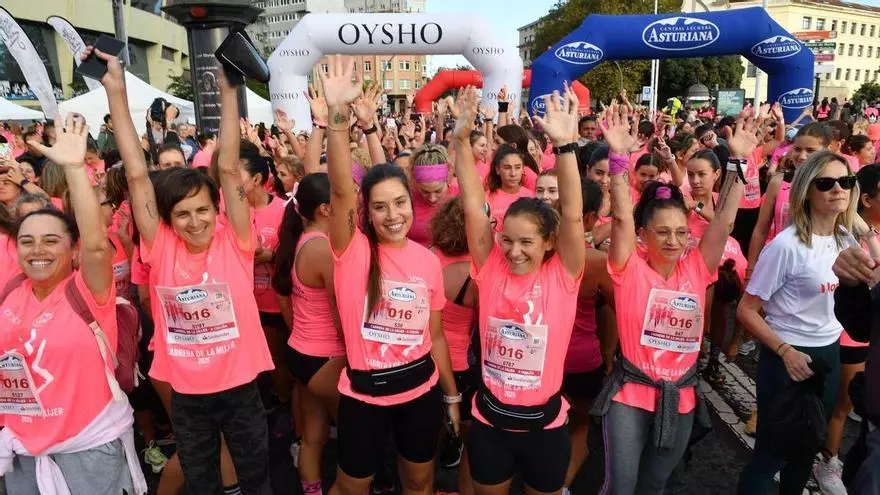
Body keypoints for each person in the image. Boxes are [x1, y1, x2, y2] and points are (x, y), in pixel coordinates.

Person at [92, 46, 273, 494]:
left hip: (241, 389)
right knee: (201, 481)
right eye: (183, 215)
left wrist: (231, 89)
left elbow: (228, 167)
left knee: (256, 479)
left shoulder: (237, 240)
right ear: (168, 220)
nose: (195, 222)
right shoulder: (161, 246)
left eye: (203, 211)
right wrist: (114, 88)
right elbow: (137, 176)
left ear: (219, 210)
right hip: (190, 397)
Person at [319, 55, 460, 495]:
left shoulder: (426, 260)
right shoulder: (352, 251)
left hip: (420, 391)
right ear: (367, 212)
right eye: (380, 206)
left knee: (418, 480)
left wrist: (452, 397)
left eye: (400, 203)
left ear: (411, 203)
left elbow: (435, 336)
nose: (393, 214)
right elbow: (342, 187)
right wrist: (339, 118)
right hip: (365, 397)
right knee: (352, 486)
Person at [592, 103, 749, 495]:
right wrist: (618, 159)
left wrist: (740, 161)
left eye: (681, 232)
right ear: (644, 235)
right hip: (631, 395)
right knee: (621, 487)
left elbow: (725, 221)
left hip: (680, 397)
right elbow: (624, 218)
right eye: (662, 233)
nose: (674, 241)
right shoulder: (629, 268)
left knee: (656, 484)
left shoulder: (696, 268)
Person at [0, 113, 147, 495]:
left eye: (52, 240)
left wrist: (73, 169)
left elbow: (98, 241)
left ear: (73, 248)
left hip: (89, 453)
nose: (38, 250)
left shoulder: (85, 292)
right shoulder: (10, 294)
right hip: (24, 455)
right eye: (28, 241)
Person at [453, 84, 585, 494]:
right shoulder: (490, 266)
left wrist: (565, 147)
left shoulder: (563, 274)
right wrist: (459, 139)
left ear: (548, 242)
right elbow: (474, 206)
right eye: (506, 240)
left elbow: (574, 215)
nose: (512, 251)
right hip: (491, 423)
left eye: (526, 242)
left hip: (545, 427)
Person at [736, 150, 858, 494]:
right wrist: (785, 351)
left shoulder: (844, 238)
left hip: (829, 352)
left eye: (846, 182)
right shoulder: (785, 246)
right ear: (807, 190)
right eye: (826, 183)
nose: (839, 189)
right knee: (771, 456)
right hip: (787, 357)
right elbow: (745, 310)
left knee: (807, 447)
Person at [273, 173, 346, 495]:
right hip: (325, 357)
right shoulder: (322, 250)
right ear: (326, 209)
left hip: (303, 355)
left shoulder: (303, 239)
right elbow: (340, 313)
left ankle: (311, 490)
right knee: (358, 438)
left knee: (313, 437)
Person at [563, 177, 615, 494]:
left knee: (546, 424)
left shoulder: (535, 251)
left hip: (544, 359)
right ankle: (563, 485)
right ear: (592, 217)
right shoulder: (597, 262)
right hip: (585, 358)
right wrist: (610, 355)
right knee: (580, 425)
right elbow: (619, 310)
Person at [429, 196, 477, 494]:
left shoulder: (428, 256)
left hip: (427, 361)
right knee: (471, 446)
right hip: (460, 366)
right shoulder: (475, 272)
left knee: (425, 444)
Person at [241, 144, 290, 407]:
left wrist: (272, 256)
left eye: (237, 177)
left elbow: (295, 255)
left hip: (274, 302)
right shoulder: (232, 213)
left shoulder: (283, 210)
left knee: (276, 359)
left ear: (257, 179)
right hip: (245, 303)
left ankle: (283, 404)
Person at [409, 144, 458, 246]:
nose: (432, 198)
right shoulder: (407, 200)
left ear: (447, 178)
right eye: (425, 191)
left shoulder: (460, 197)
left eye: (438, 191)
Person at [486, 144, 533, 233]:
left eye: (517, 167)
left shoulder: (531, 196)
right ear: (497, 170)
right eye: (507, 168)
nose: (513, 173)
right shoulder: (486, 198)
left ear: (523, 169)